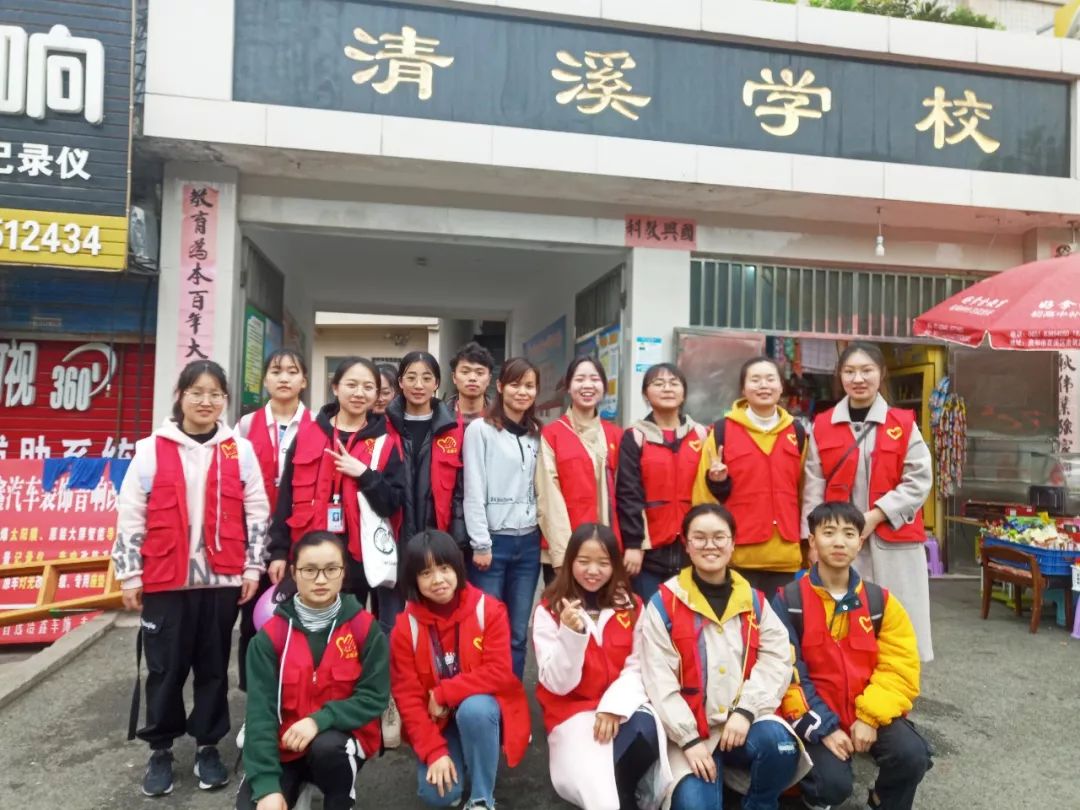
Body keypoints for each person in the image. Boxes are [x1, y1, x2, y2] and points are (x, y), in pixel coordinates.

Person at [113, 359, 270, 797]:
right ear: (180, 396)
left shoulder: (239, 450)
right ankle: (160, 749)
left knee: (213, 668)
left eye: (215, 394)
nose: (206, 401)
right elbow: (131, 513)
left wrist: (252, 567)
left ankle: (207, 746)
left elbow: (257, 512)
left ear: (225, 400)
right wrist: (129, 574)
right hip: (166, 580)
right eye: (197, 392)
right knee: (165, 668)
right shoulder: (151, 449)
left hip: (221, 582)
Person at [639, 504, 810, 810]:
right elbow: (658, 678)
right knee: (694, 806)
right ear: (686, 544)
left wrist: (746, 711)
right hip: (691, 734)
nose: (710, 545)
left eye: (719, 537)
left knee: (782, 746)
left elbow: (778, 659)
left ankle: (759, 804)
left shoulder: (754, 601)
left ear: (732, 544)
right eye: (700, 537)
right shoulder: (664, 603)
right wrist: (689, 740)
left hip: (743, 724)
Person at [773, 501, 932, 810]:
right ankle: (815, 798)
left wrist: (869, 717)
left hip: (868, 709)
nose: (839, 542)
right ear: (812, 541)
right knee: (831, 784)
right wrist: (824, 728)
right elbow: (787, 674)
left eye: (848, 534)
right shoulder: (789, 601)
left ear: (860, 543)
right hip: (817, 714)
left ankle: (883, 799)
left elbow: (899, 668)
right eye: (828, 532)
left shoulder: (880, 601)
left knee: (912, 755)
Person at [801, 341, 934, 662]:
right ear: (840, 376)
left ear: (881, 373)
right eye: (849, 371)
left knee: (897, 619)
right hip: (841, 543)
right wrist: (812, 538)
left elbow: (919, 480)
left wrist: (876, 515)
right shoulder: (823, 425)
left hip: (894, 544)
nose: (858, 379)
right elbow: (813, 485)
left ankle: (897, 686)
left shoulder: (902, 424)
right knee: (845, 617)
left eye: (866, 370)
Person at [238, 531, 390, 810]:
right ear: (294, 573)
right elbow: (260, 714)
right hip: (285, 746)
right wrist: (267, 785)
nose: (321, 580)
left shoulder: (365, 629)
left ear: (343, 572)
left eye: (331, 569)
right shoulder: (268, 639)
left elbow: (374, 697)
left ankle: (340, 799)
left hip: (337, 743)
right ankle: (294, 787)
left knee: (328, 749)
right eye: (309, 570)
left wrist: (319, 720)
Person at [533, 523, 671, 810]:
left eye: (603, 563)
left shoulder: (631, 606)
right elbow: (557, 683)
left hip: (620, 704)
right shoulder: (549, 610)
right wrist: (571, 635)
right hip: (572, 712)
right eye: (583, 561)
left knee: (645, 729)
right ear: (569, 562)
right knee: (597, 790)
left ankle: (626, 791)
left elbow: (639, 665)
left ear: (615, 565)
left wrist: (613, 707)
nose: (593, 571)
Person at [390, 531, 531, 809]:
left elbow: (500, 671)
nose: (438, 580)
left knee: (475, 710)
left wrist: (444, 693)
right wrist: (434, 752)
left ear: (457, 568)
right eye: (426, 573)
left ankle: (481, 798)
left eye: (444, 568)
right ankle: (462, 758)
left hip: (481, 711)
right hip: (438, 721)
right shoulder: (406, 628)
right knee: (438, 796)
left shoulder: (488, 610)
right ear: (414, 580)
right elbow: (407, 698)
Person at [268, 356, 406, 620]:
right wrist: (279, 553)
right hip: (308, 557)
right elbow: (285, 498)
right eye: (351, 385)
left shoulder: (385, 444)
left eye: (368, 387)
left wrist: (365, 475)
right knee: (308, 631)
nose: (359, 393)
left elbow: (393, 503)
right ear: (335, 387)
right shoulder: (307, 434)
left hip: (357, 563)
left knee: (349, 633)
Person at [692, 356, 806, 596]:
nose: (763, 385)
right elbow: (703, 497)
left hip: (785, 556)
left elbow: (805, 492)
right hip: (738, 556)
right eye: (755, 380)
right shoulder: (722, 431)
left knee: (780, 619)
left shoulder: (796, 432)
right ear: (743, 389)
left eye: (770, 379)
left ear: (781, 386)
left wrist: (808, 544)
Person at [463, 357, 542, 679]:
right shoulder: (480, 430)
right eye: (515, 384)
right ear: (500, 387)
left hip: (530, 543)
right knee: (486, 629)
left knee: (518, 633)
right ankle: (484, 696)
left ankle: (512, 699)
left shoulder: (537, 434)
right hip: (493, 543)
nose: (522, 392)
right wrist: (481, 543)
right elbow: (473, 489)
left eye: (529, 386)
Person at [236, 347, 311, 691]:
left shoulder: (316, 426)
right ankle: (255, 696)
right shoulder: (245, 425)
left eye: (292, 372)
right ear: (265, 380)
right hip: (253, 542)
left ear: (304, 381)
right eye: (276, 371)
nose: (284, 378)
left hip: (300, 543)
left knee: (301, 622)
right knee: (253, 622)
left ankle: (296, 694)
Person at [385, 351, 466, 631]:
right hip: (392, 538)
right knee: (393, 623)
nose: (418, 385)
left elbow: (461, 490)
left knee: (437, 622)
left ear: (437, 383)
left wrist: (456, 540)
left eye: (426, 378)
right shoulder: (383, 426)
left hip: (438, 538)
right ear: (400, 383)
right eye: (411, 377)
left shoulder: (453, 428)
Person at [617, 363, 706, 602]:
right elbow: (628, 494)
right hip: (650, 553)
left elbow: (713, 493)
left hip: (693, 548)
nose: (667, 388)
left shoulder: (701, 435)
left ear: (684, 393)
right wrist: (634, 544)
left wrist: (720, 480)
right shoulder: (635, 436)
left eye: (674, 383)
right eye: (658, 384)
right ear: (646, 394)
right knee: (650, 616)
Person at [537, 356, 622, 584]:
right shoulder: (553, 434)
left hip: (606, 553)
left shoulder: (616, 435)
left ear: (603, 386)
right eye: (580, 379)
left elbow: (626, 495)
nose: (587, 385)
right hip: (566, 550)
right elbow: (549, 498)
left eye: (594, 379)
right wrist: (563, 554)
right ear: (568, 386)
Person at [446, 341, 495, 426]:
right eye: (465, 372)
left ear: (489, 379)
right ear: (454, 377)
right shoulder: (440, 417)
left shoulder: (501, 418)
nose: (472, 378)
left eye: (479, 373)